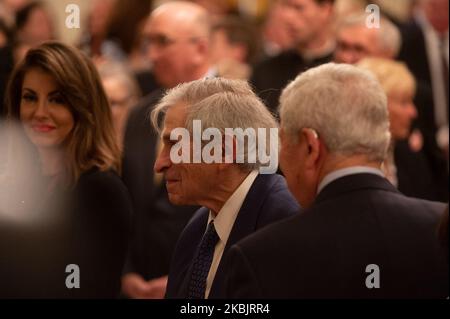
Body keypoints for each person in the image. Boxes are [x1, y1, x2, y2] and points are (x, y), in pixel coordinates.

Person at [225, 63, 448, 298]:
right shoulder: (441, 229)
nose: (280, 157)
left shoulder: (261, 257)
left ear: (311, 147)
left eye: (284, 141)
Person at [0, 41, 131, 298]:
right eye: (29, 98)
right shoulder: (15, 184)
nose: (40, 112)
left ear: (82, 106)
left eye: (57, 99)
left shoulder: (100, 189)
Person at [151, 77, 299, 299]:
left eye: (174, 145)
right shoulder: (199, 226)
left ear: (221, 152)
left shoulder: (283, 225)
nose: (159, 164)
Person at [121, 1, 213, 299]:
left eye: (162, 42)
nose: (151, 54)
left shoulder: (237, 114)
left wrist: (191, 278)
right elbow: (129, 200)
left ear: (200, 48)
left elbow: (246, 213)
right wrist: (126, 271)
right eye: (148, 42)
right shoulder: (140, 113)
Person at [357, 57, 448, 201]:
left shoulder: (411, 157)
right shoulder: (351, 164)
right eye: (404, 102)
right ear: (376, 107)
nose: (413, 112)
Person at [250, 0, 336, 113]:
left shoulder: (345, 66)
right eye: (285, 6)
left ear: (326, 10)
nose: (287, 17)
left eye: (298, 8)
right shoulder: (265, 69)